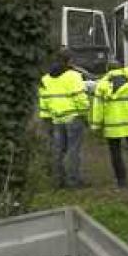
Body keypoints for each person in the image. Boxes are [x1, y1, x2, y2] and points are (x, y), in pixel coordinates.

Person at [37, 54, 89, 188]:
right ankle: (74, 181)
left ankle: (58, 181)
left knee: (58, 150)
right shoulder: (73, 76)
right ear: (69, 61)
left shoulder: (45, 79)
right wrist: (85, 114)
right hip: (73, 117)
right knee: (74, 150)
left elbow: (44, 100)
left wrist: (46, 117)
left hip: (56, 119)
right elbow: (80, 98)